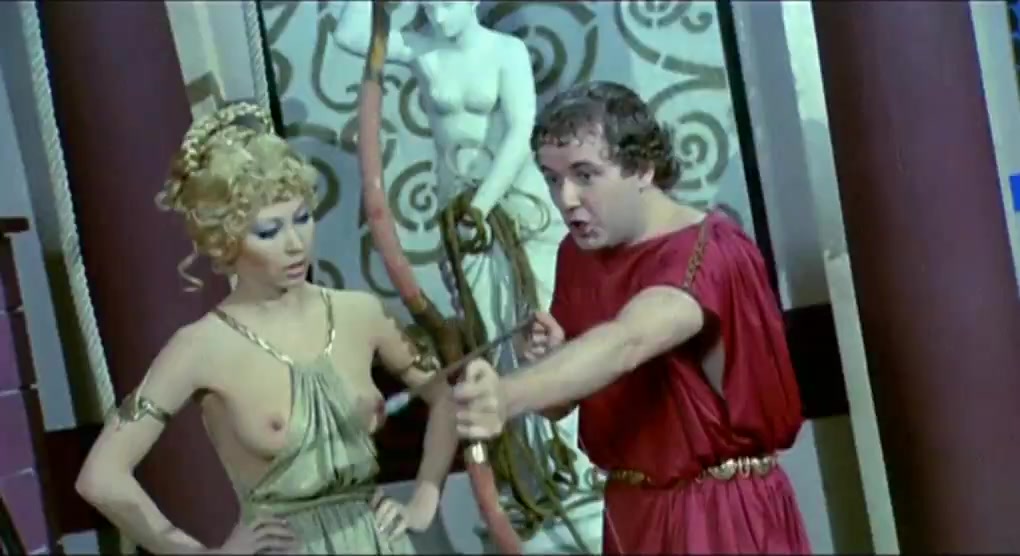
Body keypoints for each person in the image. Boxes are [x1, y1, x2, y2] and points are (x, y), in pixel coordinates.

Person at [74, 103, 458, 554]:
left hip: (379, 542)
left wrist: (423, 500)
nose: (295, 244)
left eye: (302, 218)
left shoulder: (360, 313)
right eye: (269, 231)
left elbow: (446, 397)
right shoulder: (201, 347)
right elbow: (101, 477)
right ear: (227, 239)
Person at [451, 81, 811, 554]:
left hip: (719, 512)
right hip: (630, 509)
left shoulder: (711, 251)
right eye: (552, 178)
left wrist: (507, 394)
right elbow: (565, 401)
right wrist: (550, 360)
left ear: (642, 168)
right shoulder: (577, 254)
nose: (566, 198)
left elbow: (628, 342)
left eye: (585, 175)